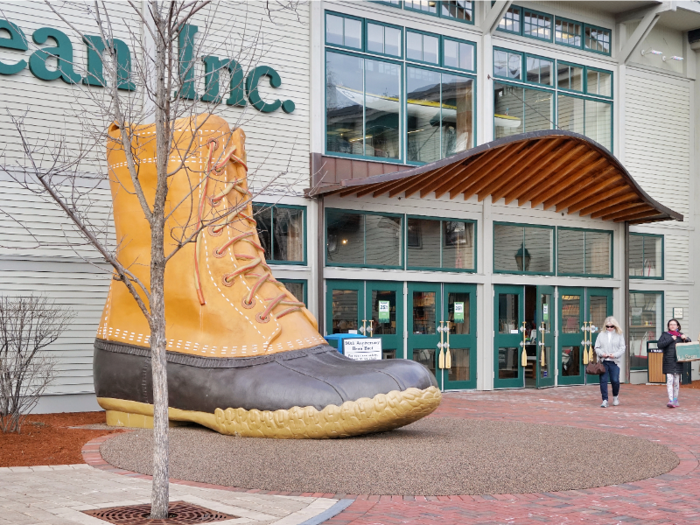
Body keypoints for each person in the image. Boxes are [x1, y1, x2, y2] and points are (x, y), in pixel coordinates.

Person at [657, 319, 692, 408]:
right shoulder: (665, 335)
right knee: (669, 380)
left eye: (674, 324)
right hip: (668, 360)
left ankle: (675, 399)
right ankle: (671, 400)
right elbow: (660, 345)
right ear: (668, 326)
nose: (672, 326)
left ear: (677, 326)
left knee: (676, 381)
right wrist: (670, 339)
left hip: (678, 361)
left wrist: (686, 338)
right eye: (670, 324)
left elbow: (689, 345)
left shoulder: (681, 335)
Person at [594, 316, 626, 408]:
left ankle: (615, 397)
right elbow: (597, 347)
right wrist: (602, 354)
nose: (609, 328)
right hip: (604, 361)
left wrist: (615, 354)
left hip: (614, 361)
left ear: (615, 326)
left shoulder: (619, 334)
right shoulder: (601, 334)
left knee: (615, 380)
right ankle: (605, 400)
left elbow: (622, 347)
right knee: (603, 381)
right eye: (608, 326)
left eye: (611, 326)